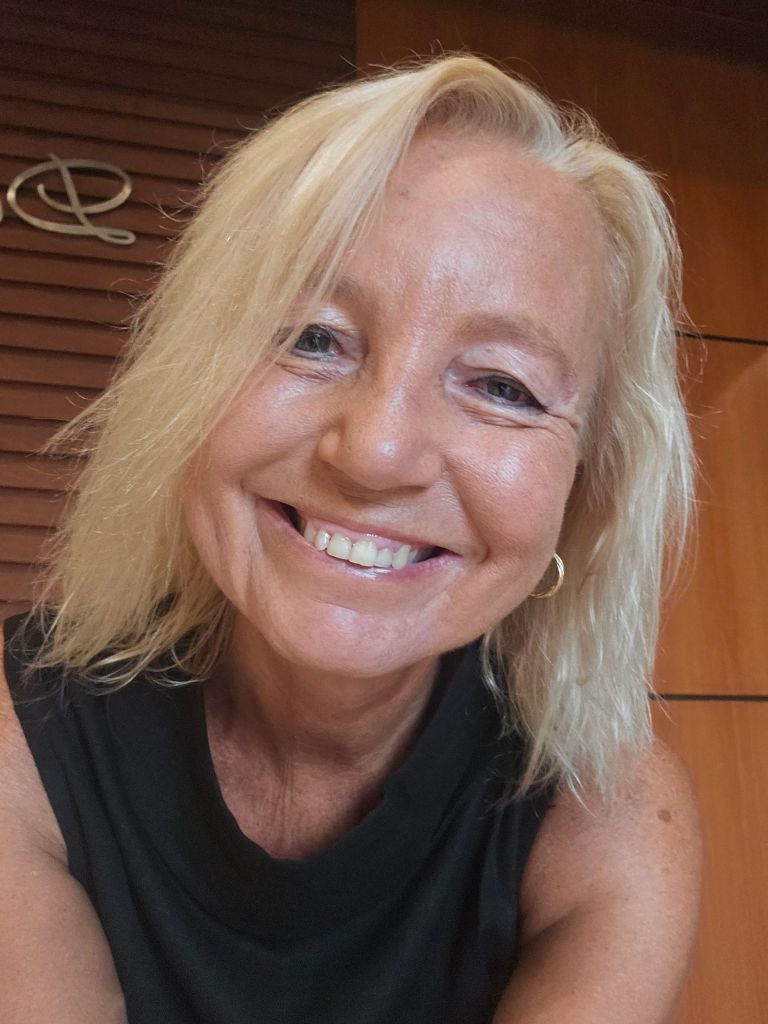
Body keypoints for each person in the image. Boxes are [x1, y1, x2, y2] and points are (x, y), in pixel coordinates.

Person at [0, 55, 700, 1024]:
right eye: (312, 336)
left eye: (503, 386)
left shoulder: (608, 816)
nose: (375, 452)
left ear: (583, 492)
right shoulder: (22, 746)